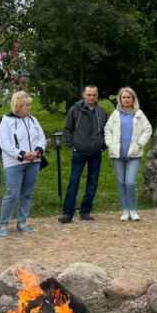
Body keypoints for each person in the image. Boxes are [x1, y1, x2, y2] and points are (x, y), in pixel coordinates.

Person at [0, 90, 47, 238]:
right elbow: (4, 143)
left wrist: (38, 151)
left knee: (27, 193)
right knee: (12, 193)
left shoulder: (33, 120)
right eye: (26, 105)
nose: (29, 108)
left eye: (29, 105)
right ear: (17, 105)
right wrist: (22, 154)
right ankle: (4, 223)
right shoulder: (6, 121)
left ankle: (22, 221)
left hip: (34, 161)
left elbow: (41, 137)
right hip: (14, 162)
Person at [58, 85, 108, 223]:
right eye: (89, 95)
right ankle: (67, 213)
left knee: (92, 182)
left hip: (95, 152)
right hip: (78, 151)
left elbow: (107, 131)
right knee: (74, 181)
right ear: (83, 95)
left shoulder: (102, 112)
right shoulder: (75, 110)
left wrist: (103, 145)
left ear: (97, 96)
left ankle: (85, 211)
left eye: (94, 95)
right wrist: (71, 145)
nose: (91, 97)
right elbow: (67, 129)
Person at [104, 87, 153, 221]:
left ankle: (133, 209)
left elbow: (148, 129)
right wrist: (110, 144)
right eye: (123, 97)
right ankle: (125, 209)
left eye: (128, 97)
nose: (126, 99)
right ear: (120, 99)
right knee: (121, 182)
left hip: (134, 154)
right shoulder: (115, 114)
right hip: (118, 154)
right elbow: (107, 130)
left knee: (130, 182)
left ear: (133, 99)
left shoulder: (139, 114)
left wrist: (140, 144)